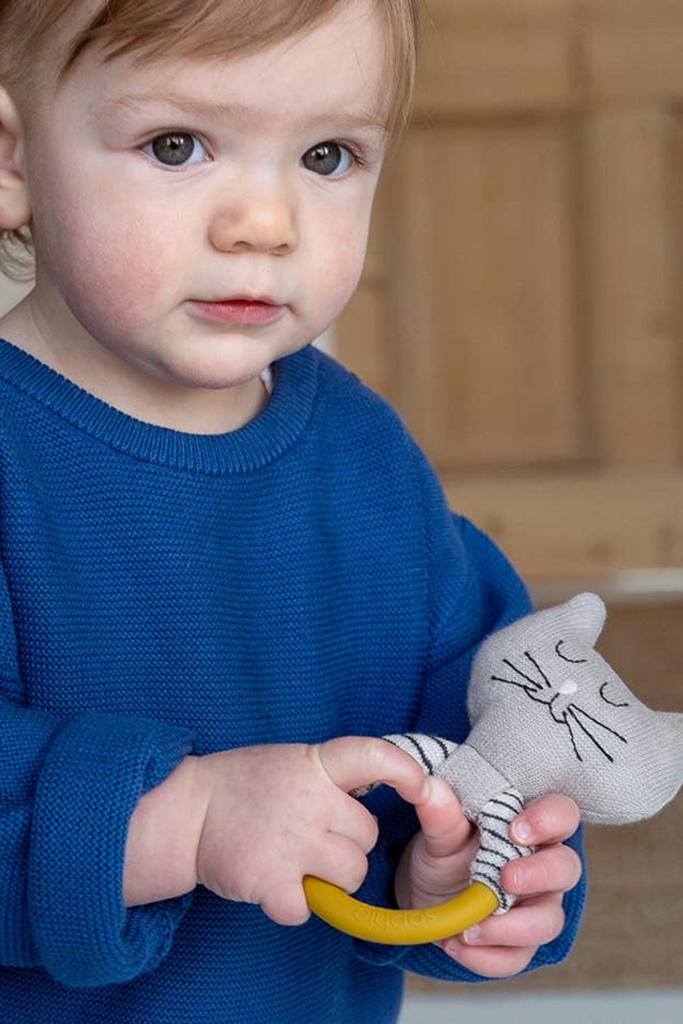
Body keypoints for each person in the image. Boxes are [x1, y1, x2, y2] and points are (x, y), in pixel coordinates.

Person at [0, 1, 585, 1021]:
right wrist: (174, 825)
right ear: (11, 162)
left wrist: (462, 874)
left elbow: (472, 733)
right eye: (175, 145)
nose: (264, 223)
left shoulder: (366, 457)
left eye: (326, 155)